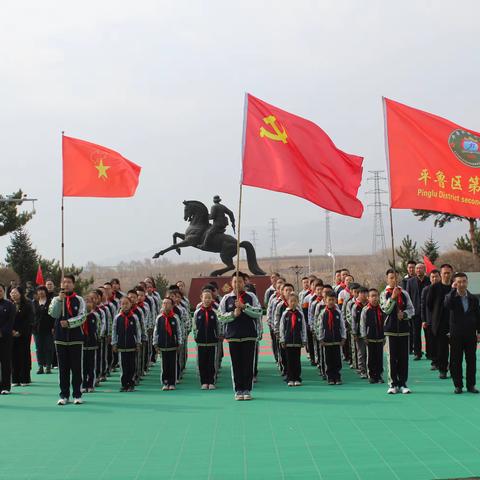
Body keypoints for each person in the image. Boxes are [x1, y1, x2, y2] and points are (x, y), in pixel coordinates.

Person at [219, 272, 262, 401]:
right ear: (231, 283)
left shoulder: (251, 296)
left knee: (248, 364)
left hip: (249, 336)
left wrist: (244, 307)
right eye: (235, 282)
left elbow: (259, 312)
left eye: (240, 282)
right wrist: (233, 314)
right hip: (233, 336)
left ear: (245, 283)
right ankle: (238, 390)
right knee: (236, 364)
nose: (237, 284)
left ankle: (247, 389)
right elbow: (220, 316)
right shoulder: (226, 298)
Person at [49, 275, 86, 406]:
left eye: (69, 282)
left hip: (76, 339)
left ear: (73, 284)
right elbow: (53, 314)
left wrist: (69, 323)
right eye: (64, 282)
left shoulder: (79, 300)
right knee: (63, 369)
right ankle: (64, 395)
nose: (66, 284)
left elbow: (82, 316)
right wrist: (60, 300)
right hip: (60, 339)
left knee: (76, 368)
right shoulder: (56, 299)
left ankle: (77, 394)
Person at [444, 273, 480, 394]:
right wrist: (452, 290)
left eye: (464, 281)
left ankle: (471, 385)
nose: (461, 284)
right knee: (456, 360)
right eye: (459, 282)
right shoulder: (451, 297)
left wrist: (479, 332)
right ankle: (458, 385)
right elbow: (447, 304)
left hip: (470, 334)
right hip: (456, 335)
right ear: (455, 283)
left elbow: (478, 316)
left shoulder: (473, 298)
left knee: (471, 360)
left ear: (467, 282)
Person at [381, 269, 415, 395]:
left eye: (396, 277)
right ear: (387, 279)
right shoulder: (384, 293)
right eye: (391, 278)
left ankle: (403, 383)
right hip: (390, 330)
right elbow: (385, 309)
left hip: (404, 330)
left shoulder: (404, 293)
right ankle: (393, 383)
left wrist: (405, 314)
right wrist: (393, 298)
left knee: (403, 358)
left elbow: (412, 309)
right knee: (392, 358)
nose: (394, 280)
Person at [427, 264, 454, 379]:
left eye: (448, 273)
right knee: (442, 348)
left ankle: (455, 370)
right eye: (444, 273)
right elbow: (429, 304)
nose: (446, 275)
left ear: (451, 273)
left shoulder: (456, 286)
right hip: (440, 323)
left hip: (455, 323)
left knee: (456, 349)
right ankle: (443, 370)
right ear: (441, 274)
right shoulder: (434, 287)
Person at [112, 296, 142, 392]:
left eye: (127, 303)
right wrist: (114, 343)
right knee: (123, 366)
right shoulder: (117, 318)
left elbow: (138, 331)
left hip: (132, 346)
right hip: (121, 346)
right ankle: (124, 384)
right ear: (120, 305)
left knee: (132, 366)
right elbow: (114, 331)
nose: (125, 306)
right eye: (123, 304)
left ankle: (131, 383)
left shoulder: (134, 317)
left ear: (130, 305)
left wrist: (138, 342)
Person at [153, 297, 183, 391]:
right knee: (164, 365)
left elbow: (179, 331)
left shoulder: (175, 317)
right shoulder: (159, 318)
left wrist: (179, 342)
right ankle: (165, 382)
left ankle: (172, 382)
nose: (166, 305)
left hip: (172, 346)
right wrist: (155, 343)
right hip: (162, 345)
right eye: (164, 303)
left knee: (172, 365)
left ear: (172, 305)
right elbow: (156, 331)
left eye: (168, 303)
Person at [317, 291, 346, 385]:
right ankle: (330, 377)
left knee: (337, 359)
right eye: (329, 300)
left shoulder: (338, 312)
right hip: (327, 341)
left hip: (337, 340)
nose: (331, 302)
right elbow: (320, 326)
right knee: (328, 360)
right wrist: (320, 338)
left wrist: (343, 337)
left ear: (336, 301)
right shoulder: (323, 313)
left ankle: (337, 377)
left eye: (333, 300)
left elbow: (342, 326)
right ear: (325, 301)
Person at [193, 288, 219, 389]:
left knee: (211, 363)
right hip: (201, 342)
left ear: (212, 299)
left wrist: (218, 335)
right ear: (201, 298)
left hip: (213, 342)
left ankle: (211, 381)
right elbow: (195, 326)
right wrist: (196, 336)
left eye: (209, 298)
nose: (207, 300)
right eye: (205, 298)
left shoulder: (215, 312)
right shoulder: (197, 312)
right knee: (202, 362)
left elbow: (218, 325)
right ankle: (203, 382)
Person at [279, 292, 307, 386]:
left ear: (298, 302)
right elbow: (282, 327)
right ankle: (290, 378)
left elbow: (303, 327)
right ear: (288, 302)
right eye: (291, 301)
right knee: (289, 361)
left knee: (297, 360)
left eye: (295, 301)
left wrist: (304, 339)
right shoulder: (285, 314)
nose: (293, 303)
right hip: (288, 341)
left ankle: (297, 378)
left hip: (297, 341)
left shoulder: (300, 314)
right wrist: (282, 339)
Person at [405, 263, 430, 360]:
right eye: (417, 268)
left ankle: (429, 352)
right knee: (415, 333)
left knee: (428, 333)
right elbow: (407, 297)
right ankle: (417, 353)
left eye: (420, 268)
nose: (418, 270)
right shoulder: (410, 282)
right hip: (415, 312)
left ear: (424, 269)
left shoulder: (429, 281)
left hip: (427, 312)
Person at [360, 288, 385, 383]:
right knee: (371, 358)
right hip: (369, 338)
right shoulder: (366, 310)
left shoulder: (381, 309)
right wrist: (364, 336)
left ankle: (379, 375)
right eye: (372, 296)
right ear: (368, 298)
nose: (374, 298)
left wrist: (384, 336)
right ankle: (372, 375)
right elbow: (362, 324)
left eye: (376, 296)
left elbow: (384, 324)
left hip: (380, 338)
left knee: (379, 358)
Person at [10, 286, 34, 386]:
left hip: (24, 334)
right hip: (11, 334)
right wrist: (11, 331)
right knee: (13, 356)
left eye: (15, 292)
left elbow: (29, 321)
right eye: (11, 293)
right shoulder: (9, 305)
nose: (13, 294)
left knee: (24, 355)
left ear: (20, 294)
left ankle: (25, 379)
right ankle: (15, 379)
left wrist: (19, 332)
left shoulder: (27, 305)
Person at [82, 293, 102, 393]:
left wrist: (97, 338)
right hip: (82, 344)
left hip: (92, 344)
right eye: (85, 302)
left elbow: (99, 328)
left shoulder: (95, 315)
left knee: (91, 365)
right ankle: (83, 384)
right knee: (83, 366)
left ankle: (91, 384)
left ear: (93, 304)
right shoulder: (80, 316)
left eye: (89, 302)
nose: (87, 304)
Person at [421, 269, 440, 369]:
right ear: (430, 278)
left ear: (439, 277)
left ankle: (443, 361)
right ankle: (434, 362)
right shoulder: (426, 290)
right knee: (431, 342)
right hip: (429, 321)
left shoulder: (443, 288)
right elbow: (423, 306)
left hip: (441, 321)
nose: (434, 278)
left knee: (442, 343)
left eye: (436, 276)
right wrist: (424, 320)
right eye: (432, 277)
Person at [33, 286, 55, 374]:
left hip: (48, 329)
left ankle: (48, 366)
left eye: (42, 290)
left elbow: (54, 316)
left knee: (49, 347)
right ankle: (40, 366)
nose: (41, 292)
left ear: (46, 292)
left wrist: (54, 327)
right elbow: (32, 315)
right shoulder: (34, 302)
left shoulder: (51, 302)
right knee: (38, 348)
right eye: (39, 291)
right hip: (36, 329)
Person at [0, 283, 15, 394]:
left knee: (5, 362)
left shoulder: (9, 305)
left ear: (3, 292)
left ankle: (6, 387)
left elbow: (10, 322)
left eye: (0, 290)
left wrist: (2, 332)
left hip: (5, 338)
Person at [351, 286, 369, 378]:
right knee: (361, 352)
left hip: (369, 333)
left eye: (366, 293)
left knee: (369, 352)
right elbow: (353, 321)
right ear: (358, 294)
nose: (364, 295)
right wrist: (354, 333)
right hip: (359, 333)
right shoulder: (355, 306)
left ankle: (370, 369)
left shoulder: (369, 305)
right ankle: (362, 370)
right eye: (362, 293)